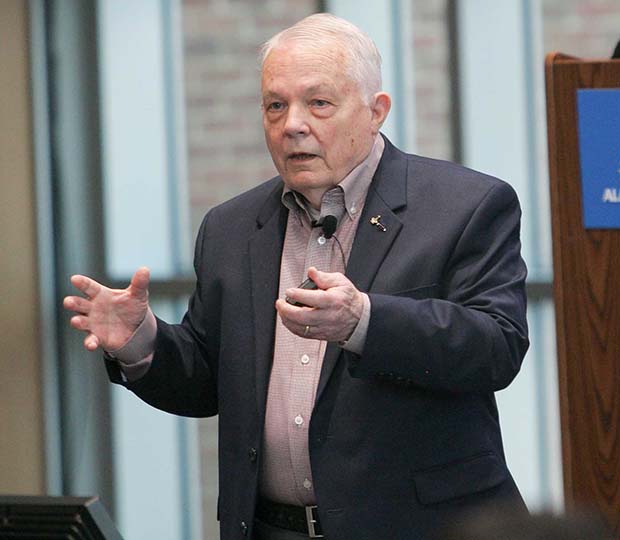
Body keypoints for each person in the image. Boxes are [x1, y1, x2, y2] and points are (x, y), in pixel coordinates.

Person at [62, 13, 528, 540]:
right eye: (275, 106)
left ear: (376, 112)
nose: (293, 125)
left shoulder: (466, 205)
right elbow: (206, 383)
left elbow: (496, 346)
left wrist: (365, 322)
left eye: (319, 104)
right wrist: (141, 342)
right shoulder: (230, 228)